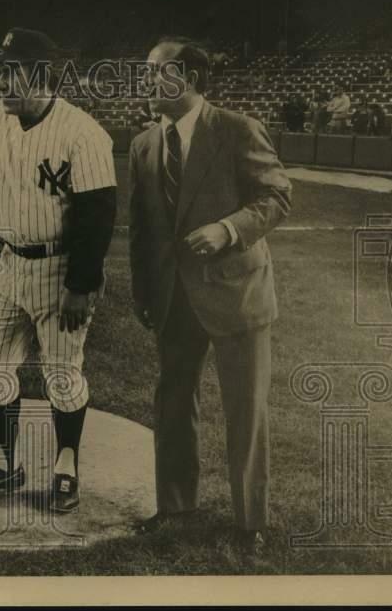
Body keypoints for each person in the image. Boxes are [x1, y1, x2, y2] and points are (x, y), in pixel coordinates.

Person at [0, 27, 118, 514]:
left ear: (41, 76)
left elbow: (98, 219)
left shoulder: (83, 133)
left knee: (61, 374)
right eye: (2, 71)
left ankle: (66, 466)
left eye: (13, 73)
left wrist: (80, 285)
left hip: (61, 269)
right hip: (10, 265)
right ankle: (8, 462)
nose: (2, 83)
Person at [129, 37, 292, 556]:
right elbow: (141, 229)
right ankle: (176, 505)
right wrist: (144, 291)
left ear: (192, 80)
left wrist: (227, 229)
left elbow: (276, 196)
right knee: (174, 402)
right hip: (174, 298)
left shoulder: (238, 130)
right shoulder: (143, 145)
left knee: (245, 408)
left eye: (158, 71)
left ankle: (250, 522)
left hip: (237, 293)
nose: (146, 80)